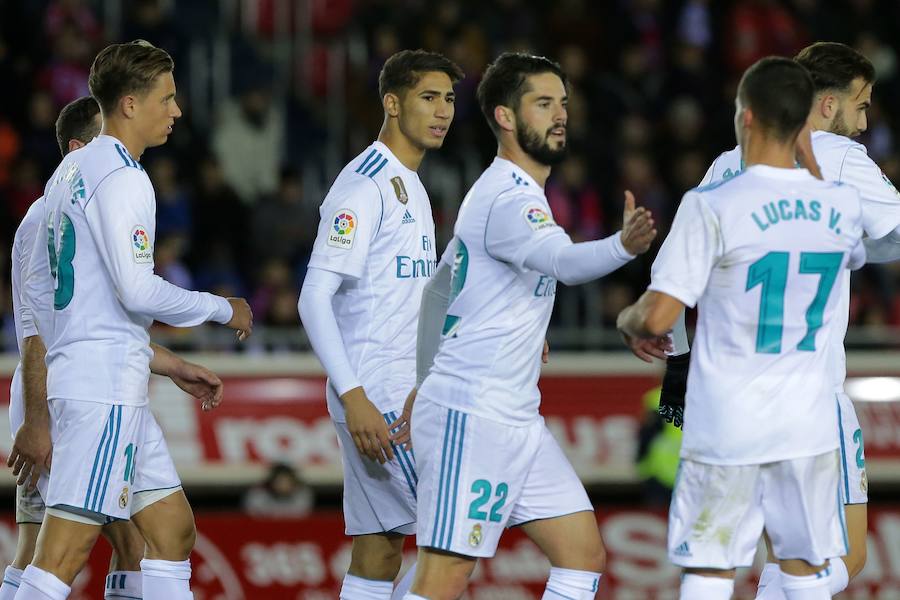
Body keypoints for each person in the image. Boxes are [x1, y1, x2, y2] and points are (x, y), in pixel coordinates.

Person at [398, 52, 657, 600]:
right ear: (506, 117)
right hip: (472, 412)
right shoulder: (510, 198)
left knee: (582, 554)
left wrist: (428, 377)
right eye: (543, 104)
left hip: (513, 415)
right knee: (445, 575)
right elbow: (562, 262)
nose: (560, 115)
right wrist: (622, 246)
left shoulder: (514, 194)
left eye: (562, 103)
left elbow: (440, 290)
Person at [10, 40, 253, 600]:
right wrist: (222, 307)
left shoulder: (71, 169)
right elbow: (136, 289)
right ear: (129, 104)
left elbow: (48, 291)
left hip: (103, 374)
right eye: (166, 99)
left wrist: (161, 362)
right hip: (102, 391)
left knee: (171, 531)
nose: (176, 111)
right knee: (61, 556)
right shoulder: (125, 177)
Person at [656, 42, 899, 599]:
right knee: (840, 557)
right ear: (827, 106)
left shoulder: (724, 167)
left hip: (725, 401)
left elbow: (674, 274)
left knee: (718, 565)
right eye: (861, 106)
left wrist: (677, 362)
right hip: (808, 396)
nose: (864, 123)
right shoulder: (837, 157)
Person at [297, 49, 463, 600]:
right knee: (454, 537)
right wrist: (355, 396)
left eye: (449, 99)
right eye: (428, 97)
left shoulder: (410, 183)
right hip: (379, 393)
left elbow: (417, 296)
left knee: (380, 545)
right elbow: (312, 298)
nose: (443, 111)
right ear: (392, 103)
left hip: (390, 389)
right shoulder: (364, 185)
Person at [1, 96, 145, 600]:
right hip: (59, 397)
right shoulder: (48, 218)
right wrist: (37, 420)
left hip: (57, 391)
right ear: (79, 149)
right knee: (122, 545)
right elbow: (34, 330)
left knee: (37, 547)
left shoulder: (65, 212)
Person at [243, 463, 314, 518]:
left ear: (294, 483)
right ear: (271, 482)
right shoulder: (257, 496)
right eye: (279, 481)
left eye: (287, 481)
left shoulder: (303, 496)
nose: (283, 485)